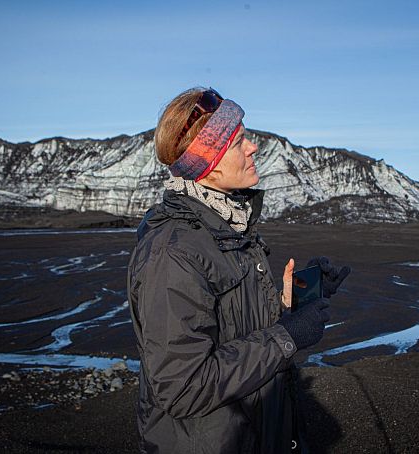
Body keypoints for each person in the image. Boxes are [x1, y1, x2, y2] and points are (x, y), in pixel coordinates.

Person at [128, 87, 350, 453]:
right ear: (206, 161)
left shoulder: (228, 227)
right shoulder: (173, 253)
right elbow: (183, 386)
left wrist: (292, 303)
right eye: (238, 141)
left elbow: (239, 330)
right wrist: (287, 337)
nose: (253, 148)